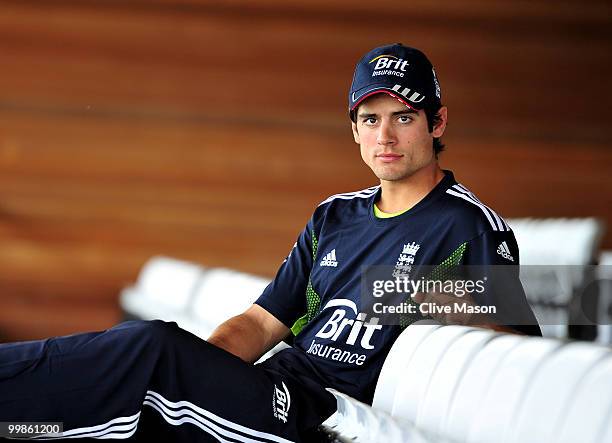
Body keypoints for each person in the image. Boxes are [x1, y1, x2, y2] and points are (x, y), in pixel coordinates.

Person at [0, 43, 541, 442]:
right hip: (262, 389)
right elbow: (260, 323)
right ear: (354, 130)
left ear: (437, 122)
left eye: (404, 117)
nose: (386, 137)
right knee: (128, 393)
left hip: (317, 416)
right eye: (370, 120)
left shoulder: (469, 224)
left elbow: (523, 346)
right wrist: (199, 375)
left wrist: (437, 299)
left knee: (149, 344)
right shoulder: (335, 216)